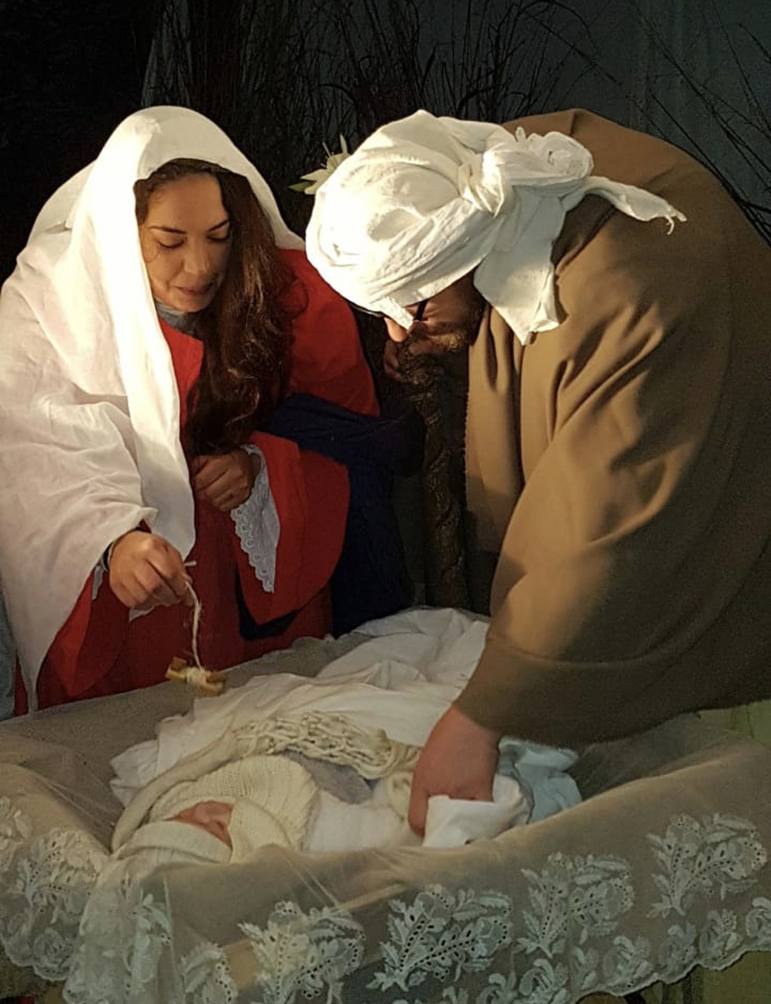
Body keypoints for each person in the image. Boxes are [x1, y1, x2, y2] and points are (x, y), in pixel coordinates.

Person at [305, 107, 771, 834]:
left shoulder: (633, 285)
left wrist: (482, 717)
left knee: (715, 827)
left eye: (413, 305)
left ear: (463, 247)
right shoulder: (499, 181)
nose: (398, 330)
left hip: (721, 609)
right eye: (382, 313)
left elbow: (600, 527)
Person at [0, 105, 410, 713]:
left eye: (219, 238)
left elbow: (344, 443)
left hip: (246, 609)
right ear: (119, 232)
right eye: (169, 242)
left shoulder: (282, 300)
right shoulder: (45, 307)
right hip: (130, 619)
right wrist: (108, 540)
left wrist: (260, 467)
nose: (199, 267)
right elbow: (40, 448)